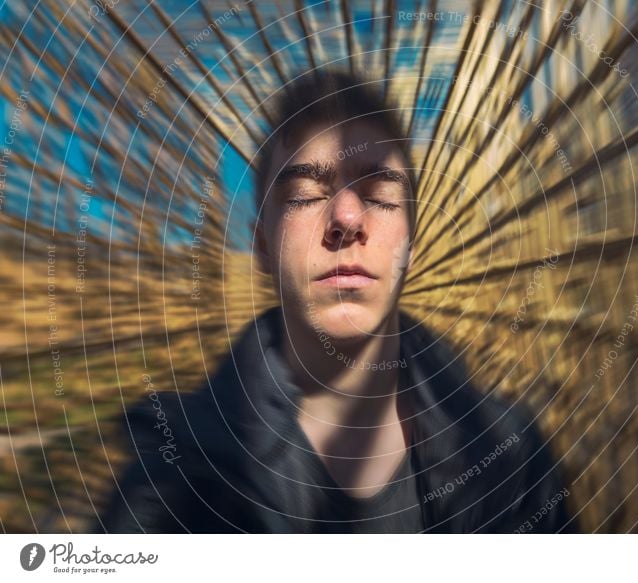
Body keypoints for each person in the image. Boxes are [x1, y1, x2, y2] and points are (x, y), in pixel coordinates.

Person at [97, 70, 572, 533]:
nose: (346, 216)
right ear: (262, 245)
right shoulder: (174, 487)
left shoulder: (513, 461)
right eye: (305, 195)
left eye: (379, 195)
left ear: (411, 244)